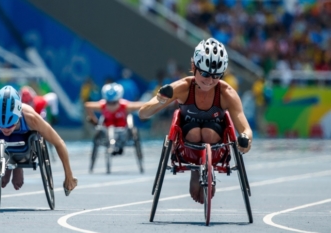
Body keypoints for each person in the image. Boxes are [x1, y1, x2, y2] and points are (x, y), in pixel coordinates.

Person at [138, 38, 252, 204]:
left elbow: (245, 129)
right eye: (205, 74)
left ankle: (208, 168)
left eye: (216, 75)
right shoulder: (182, 87)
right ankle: (195, 172)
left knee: (207, 132)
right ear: (194, 67)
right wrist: (161, 100)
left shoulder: (227, 93)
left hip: (216, 145)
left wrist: (245, 140)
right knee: (194, 131)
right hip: (187, 145)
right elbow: (143, 113)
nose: (209, 80)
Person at [0, 85, 77, 193]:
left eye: (10, 124)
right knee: (4, 180)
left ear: (18, 115)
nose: (6, 129)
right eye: (1, 125)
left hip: (25, 147)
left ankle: (18, 166)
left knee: (12, 178)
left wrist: (69, 176)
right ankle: (8, 164)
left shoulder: (31, 117)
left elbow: (58, 142)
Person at [84, 83, 144, 155]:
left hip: (122, 132)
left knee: (132, 131)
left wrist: (144, 116)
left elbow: (142, 105)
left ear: (118, 100)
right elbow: (87, 105)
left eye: (114, 103)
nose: (111, 106)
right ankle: (112, 146)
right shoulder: (103, 105)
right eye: (109, 103)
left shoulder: (124, 105)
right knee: (107, 129)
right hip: (106, 131)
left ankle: (116, 145)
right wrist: (94, 120)